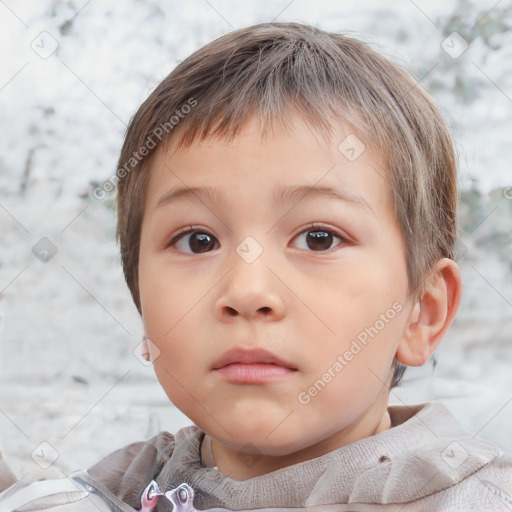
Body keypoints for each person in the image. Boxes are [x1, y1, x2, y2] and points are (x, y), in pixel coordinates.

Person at [1, 21, 511, 512]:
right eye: (197, 241)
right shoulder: (113, 492)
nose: (246, 290)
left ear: (422, 312)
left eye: (318, 238)